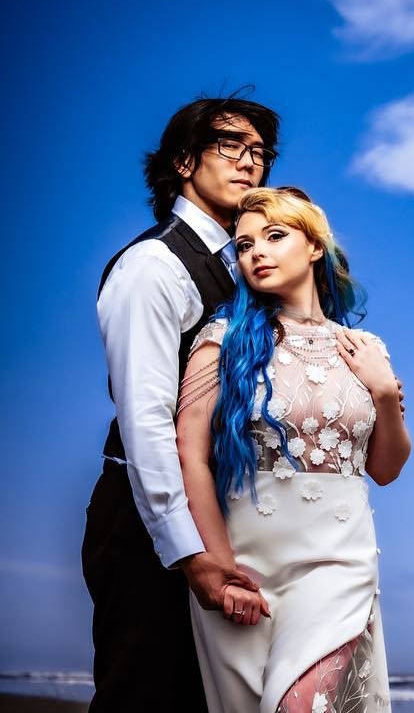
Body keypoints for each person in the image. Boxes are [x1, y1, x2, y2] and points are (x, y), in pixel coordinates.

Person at [175, 186, 412, 712]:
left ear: (313, 247)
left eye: (274, 236)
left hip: (339, 563)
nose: (256, 251)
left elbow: (387, 469)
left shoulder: (366, 349)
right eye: (243, 244)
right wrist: (216, 565)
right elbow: (189, 455)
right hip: (246, 569)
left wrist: (384, 393)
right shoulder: (222, 340)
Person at [82, 93, 282, 712]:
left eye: (259, 152)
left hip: (215, 520)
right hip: (151, 525)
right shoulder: (153, 266)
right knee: (142, 698)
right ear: (184, 161)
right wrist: (189, 552)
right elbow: (145, 419)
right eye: (230, 145)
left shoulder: (241, 271)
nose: (249, 162)